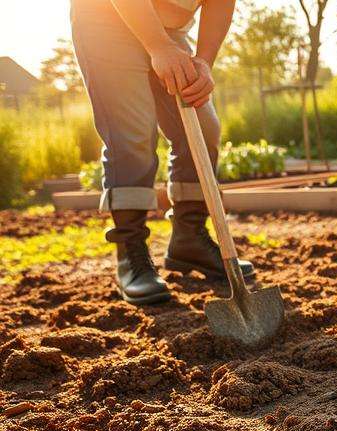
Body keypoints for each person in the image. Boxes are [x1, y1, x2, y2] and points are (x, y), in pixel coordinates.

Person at [71, 0, 254, 305]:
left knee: (204, 127)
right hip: (106, 20)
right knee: (132, 135)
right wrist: (157, 46)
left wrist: (204, 60)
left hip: (170, 33)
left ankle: (189, 238)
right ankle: (131, 253)